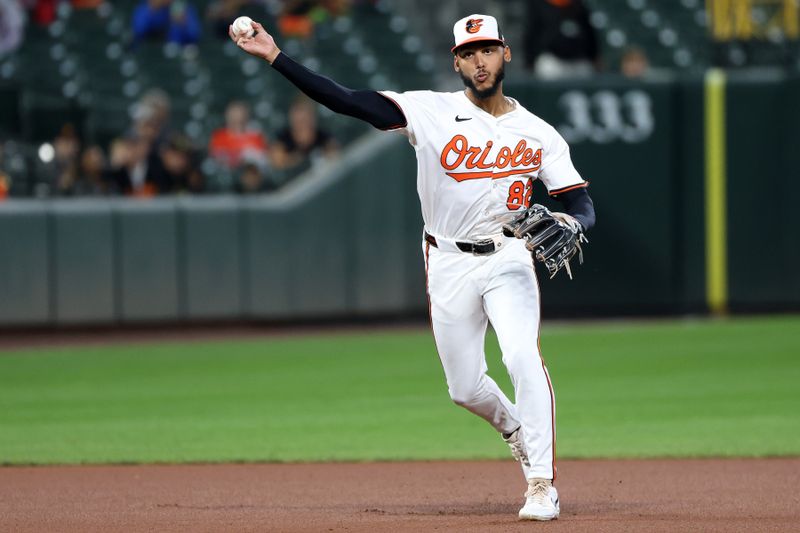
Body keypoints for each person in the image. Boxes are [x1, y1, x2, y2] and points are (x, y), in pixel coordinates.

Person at [230, 13, 595, 521]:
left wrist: (575, 223)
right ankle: (515, 430)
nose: (479, 60)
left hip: (510, 255)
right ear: (457, 61)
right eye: (468, 53)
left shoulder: (537, 132)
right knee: (464, 388)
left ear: (505, 53)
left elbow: (579, 202)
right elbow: (349, 100)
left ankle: (540, 483)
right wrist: (275, 56)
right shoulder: (431, 112)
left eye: (487, 49)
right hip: (446, 259)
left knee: (520, 357)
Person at [523, 0, 599, 79]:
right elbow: (531, 33)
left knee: (586, 72)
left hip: (579, 60)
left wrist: (594, 56)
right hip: (552, 59)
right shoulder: (539, 4)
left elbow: (589, 33)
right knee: (547, 68)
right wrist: (529, 61)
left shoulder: (579, 5)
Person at [208, 100, 269, 170]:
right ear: (227, 117)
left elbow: (263, 162)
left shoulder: (256, 138)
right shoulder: (217, 137)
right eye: (234, 118)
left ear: (246, 118)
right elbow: (213, 159)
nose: (237, 120)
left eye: (240, 118)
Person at [132, 0, 201, 47]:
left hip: (177, 54)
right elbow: (139, 30)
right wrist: (153, 10)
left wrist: (183, 24)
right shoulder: (145, 8)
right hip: (149, 53)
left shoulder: (184, 8)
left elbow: (195, 35)